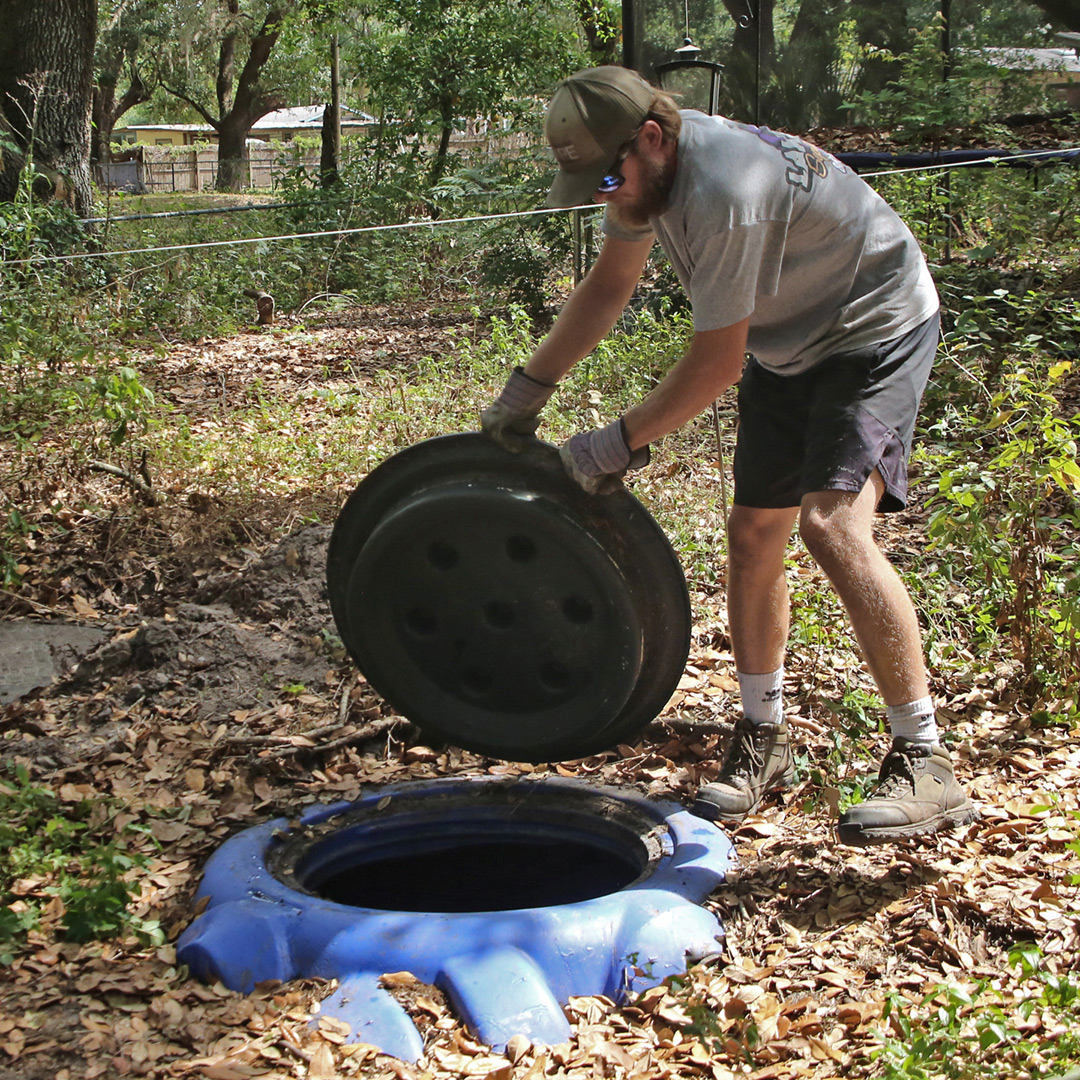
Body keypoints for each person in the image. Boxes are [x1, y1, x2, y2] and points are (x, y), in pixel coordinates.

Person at [480, 66, 975, 846]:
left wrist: (613, 445)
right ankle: (763, 737)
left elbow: (714, 367)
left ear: (652, 135)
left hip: (873, 325)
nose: (606, 193)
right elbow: (611, 285)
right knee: (753, 536)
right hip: (790, 344)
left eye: (608, 176)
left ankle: (926, 758)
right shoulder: (644, 177)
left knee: (832, 526)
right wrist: (527, 389)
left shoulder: (725, 191)